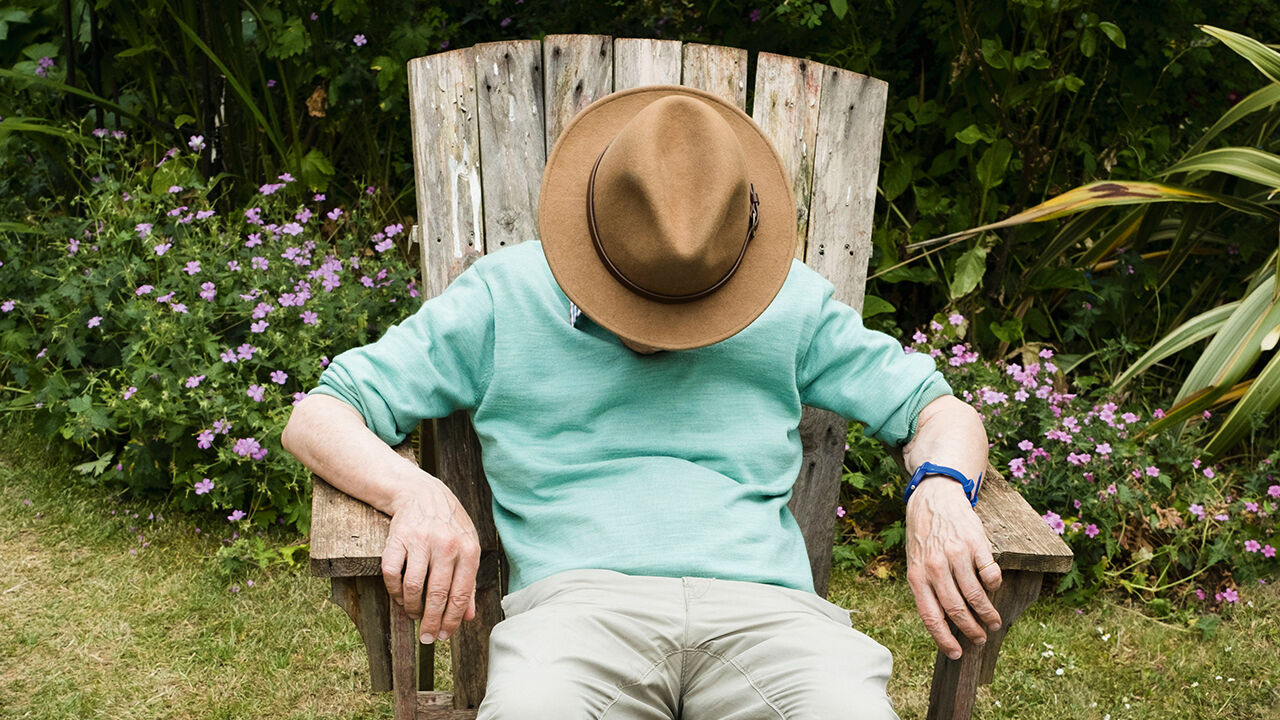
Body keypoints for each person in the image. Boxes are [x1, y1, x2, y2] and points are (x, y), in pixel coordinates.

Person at [282, 85, 999, 719]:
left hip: (771, 617)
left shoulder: (791, 304)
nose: (659, 334)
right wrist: (415, 492)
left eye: (688, 311)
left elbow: (938, 410)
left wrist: (940, 489)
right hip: (577, 616)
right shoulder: (502, 298)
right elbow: (319, 414)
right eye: (636, 303)